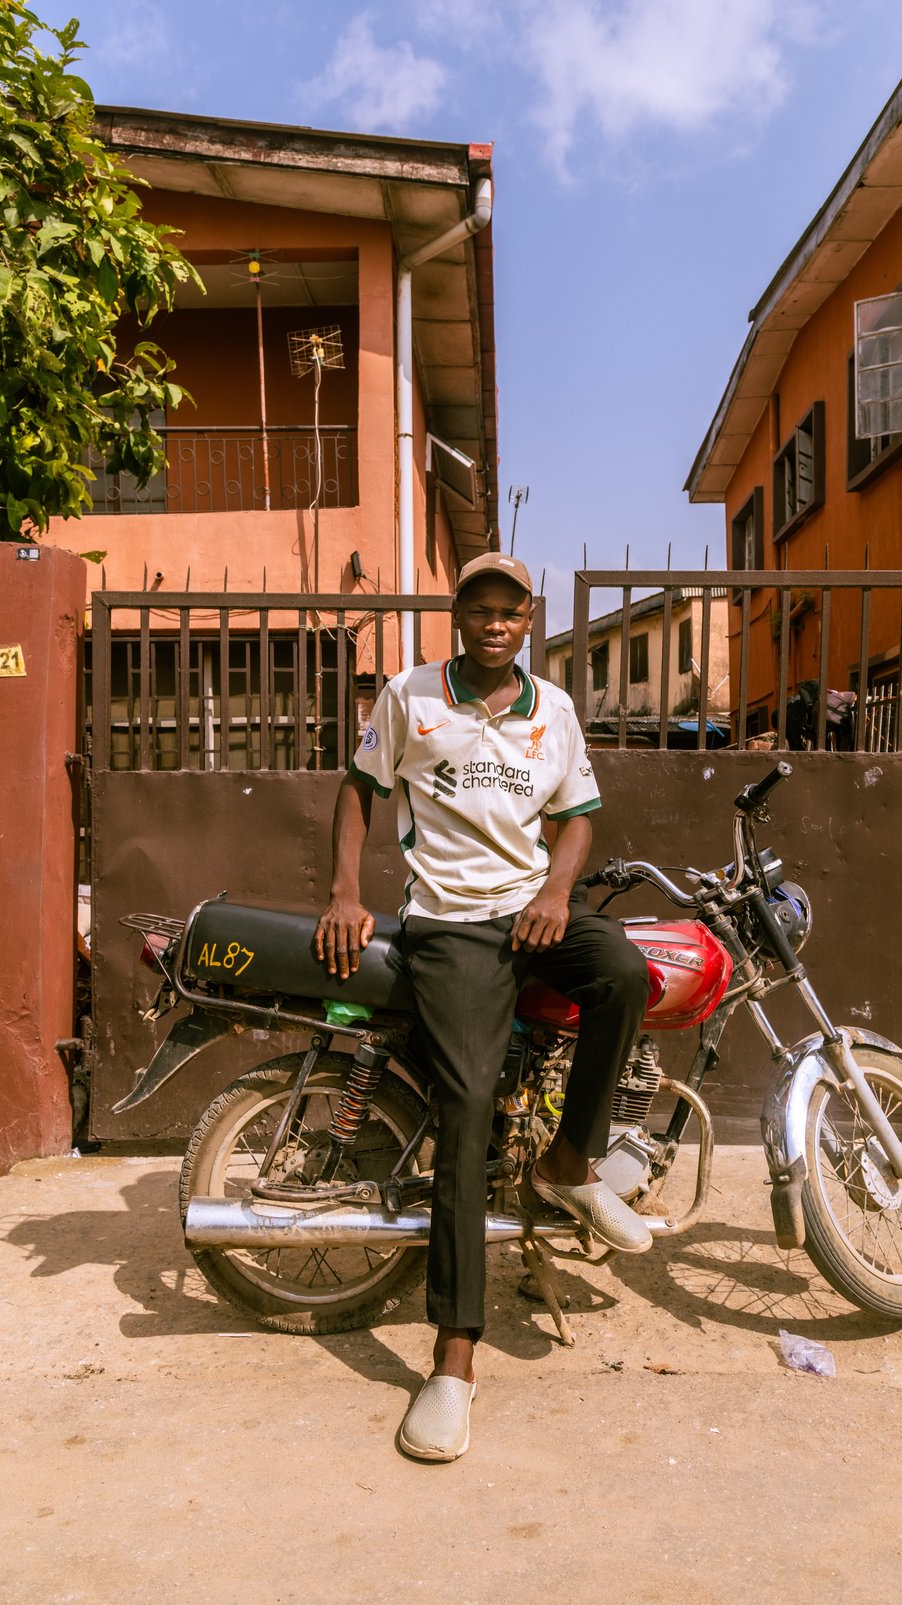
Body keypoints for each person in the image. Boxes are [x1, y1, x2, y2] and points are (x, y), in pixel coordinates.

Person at [315, 552, 651, 1461]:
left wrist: (555, 889)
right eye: (478, 610)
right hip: (451, 926)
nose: (494, 623)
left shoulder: (556, 710)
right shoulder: (411, 693)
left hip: (531, 914)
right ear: (458, 616)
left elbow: (578, 813)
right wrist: (346, 891)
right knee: (465, 1110)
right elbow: (360, 789)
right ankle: (454, 1360)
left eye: (509, 611)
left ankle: (570, 1163)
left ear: (529, 617)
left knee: (625, 969)